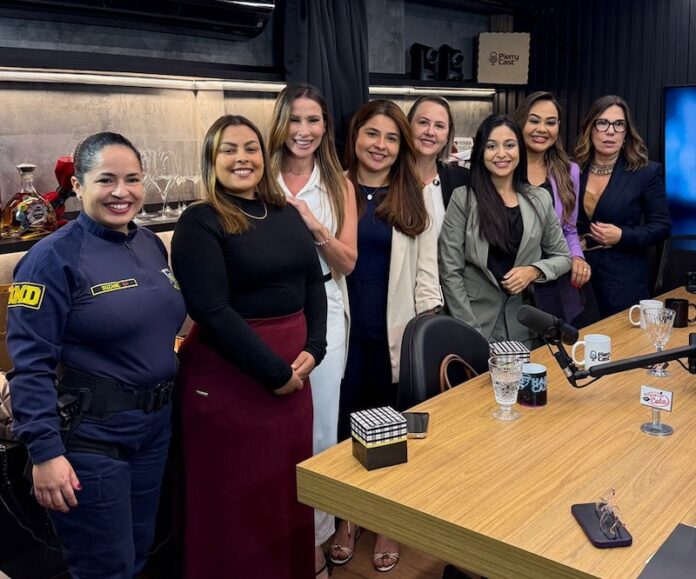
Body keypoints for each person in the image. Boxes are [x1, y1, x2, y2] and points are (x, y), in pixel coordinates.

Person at [7, 132, 186, 578]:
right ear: (78, 185)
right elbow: (30, 366)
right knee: (105, 569)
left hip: (153, 429)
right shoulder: (51, 259)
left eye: (132, 179)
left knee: (138, 554)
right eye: (106, 179)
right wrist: (45, 453)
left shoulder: (148, 243)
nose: (121, 192)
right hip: (91, 440)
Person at [171, 115, 327, 579]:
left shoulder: (285, 212)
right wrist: (274, 373)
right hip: (232, 382)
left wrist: (316, 346)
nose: (242, 159)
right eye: (229, 150)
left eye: (250, 148)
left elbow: (312, 282)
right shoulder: (200, 221)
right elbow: (211, 309)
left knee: (285, 493)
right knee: (235, 505)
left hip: (294, 380)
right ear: (211, 160)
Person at [332, 99, 442, 574]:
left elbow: (426, 274)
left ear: (402, 147)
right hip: (341, 330)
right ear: (355, 137)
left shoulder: (413, 195)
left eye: (392, 138)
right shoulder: (333, 188)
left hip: (393, 331)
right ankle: (345, 519)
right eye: (372, 134)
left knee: (388, 429)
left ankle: (385, 523)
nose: (380, 145)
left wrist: (425, 335)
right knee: (341, 430)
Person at [267, 82, 358, 579]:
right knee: (270, 428)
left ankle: (317, 543)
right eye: (295, 120)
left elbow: (348, 262)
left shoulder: (338, 184)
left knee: (321, 431)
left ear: (326, 126)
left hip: (323, 306)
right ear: (280, 124)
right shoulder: (259, 175)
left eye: (314, 120)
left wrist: (313, 225)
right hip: (266, 311)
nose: (303, 131)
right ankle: (271, 539)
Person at [439, 114, 571, 345]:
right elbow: (450, 271)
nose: (501, 154)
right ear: (481, 152)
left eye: (509, 145)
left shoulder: (540, 199)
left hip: (524, 327)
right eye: (491, 146)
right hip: (474, 321)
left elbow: (563, 257)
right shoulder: (464, 199)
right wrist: (470, 332)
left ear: (520, 150)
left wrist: (534, 271)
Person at [574, 95, 671, 317]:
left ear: (626, 132)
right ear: (590, 128)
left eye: (619, 124)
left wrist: (622, 235)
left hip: (623, 280)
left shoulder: (646, 172)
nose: (610, 131)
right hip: (578, 276)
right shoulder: (573, 170)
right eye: (602, 123)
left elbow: (662, 226)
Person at [514, 91, 596, 325]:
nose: (542, 129)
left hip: (554, 277)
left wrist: (577, 257)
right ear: (520, 122)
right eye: (534, 120)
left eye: (550, 122)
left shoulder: (569, 171)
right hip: (514, 278)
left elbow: (569, 229)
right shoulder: (505, 166)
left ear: (558, 127)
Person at [406, 95, 470, 234]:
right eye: (423, 122)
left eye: (439, 126)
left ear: (447, 137)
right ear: (408, 126)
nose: (430, 132)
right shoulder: (388, 177)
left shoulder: (464, 181)